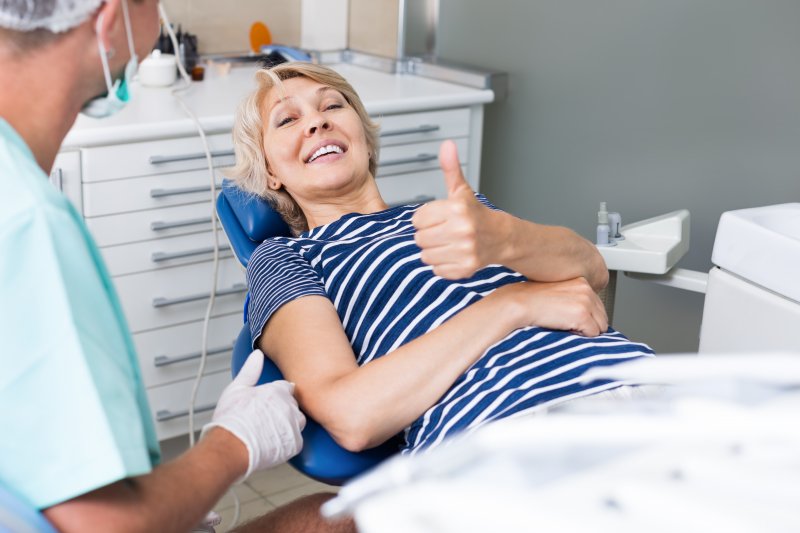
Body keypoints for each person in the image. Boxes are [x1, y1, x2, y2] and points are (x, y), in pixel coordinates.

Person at [0, 1, 353, 532]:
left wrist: (175, 497)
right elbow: (103, 524)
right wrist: (234, 443)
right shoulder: (26, 221)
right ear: (108, 16)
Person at [227, 62, 655, 456]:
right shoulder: (286, 257)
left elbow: (593, 269)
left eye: (332, 106)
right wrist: (514, 304)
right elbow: (352, 416)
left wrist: (508, 239)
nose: (318, 121)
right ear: (270, 173)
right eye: (288, 119)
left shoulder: (460, 214)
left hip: (647, 390)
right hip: (511, 434)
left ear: (364, 136)